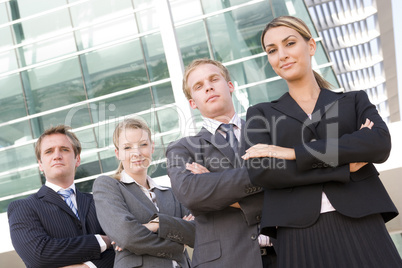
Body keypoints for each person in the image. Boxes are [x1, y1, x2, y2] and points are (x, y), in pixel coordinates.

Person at [242, 15, 402, 267]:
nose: (282, 54)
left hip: (362, 221)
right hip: (296, 232)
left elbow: (378, 143)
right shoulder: (260, 113)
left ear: (311, 46)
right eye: (272, 50)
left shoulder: (353, 100)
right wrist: (342, 166)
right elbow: (262, 171)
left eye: (290, 43)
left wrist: (293, 153)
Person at [166, 58, 276, 268]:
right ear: (192, 102)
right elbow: (191, 194)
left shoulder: (268, 132)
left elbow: (292, 181)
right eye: (198, 86)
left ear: (230, 86)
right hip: (225, 261)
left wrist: (212, 181)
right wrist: (266, 175)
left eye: (214, 79)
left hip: (286, 251)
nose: (208, 87)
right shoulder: (182, 148)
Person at [92, 118, 195, 268]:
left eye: (143, 145)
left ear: (152, 148)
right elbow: (127, 236)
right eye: (127, 148)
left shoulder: (171, 193)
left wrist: (155, 225)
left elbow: (196, 231)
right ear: (117, 153)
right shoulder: (108, 186)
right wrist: (178, 244)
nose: (137, 153)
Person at [8, 125, 115, 268]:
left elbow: (123, 248)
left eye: (64, 149)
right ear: (40, 164)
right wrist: (101, 241)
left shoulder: (100, 202)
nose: (57, 155)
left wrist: (88, 267)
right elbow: (39, 254)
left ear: (77, 159)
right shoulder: (23, 208)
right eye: (49, 151)